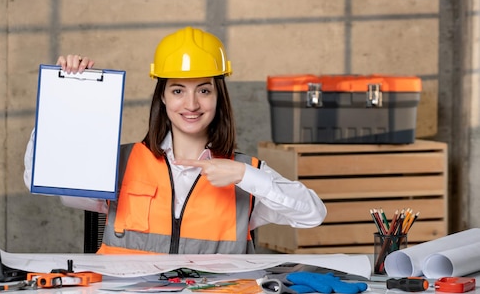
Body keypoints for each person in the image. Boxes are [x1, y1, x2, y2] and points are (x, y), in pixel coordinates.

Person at [24, 26, 326, 254]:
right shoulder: (120, 163)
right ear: (164, 99)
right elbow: (37, 176)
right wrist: (66, 93)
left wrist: (246, 176)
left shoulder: (245, 172)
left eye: (204, 90)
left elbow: (312, 213)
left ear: (219, 98)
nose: (191, 104)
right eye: (178, 90)